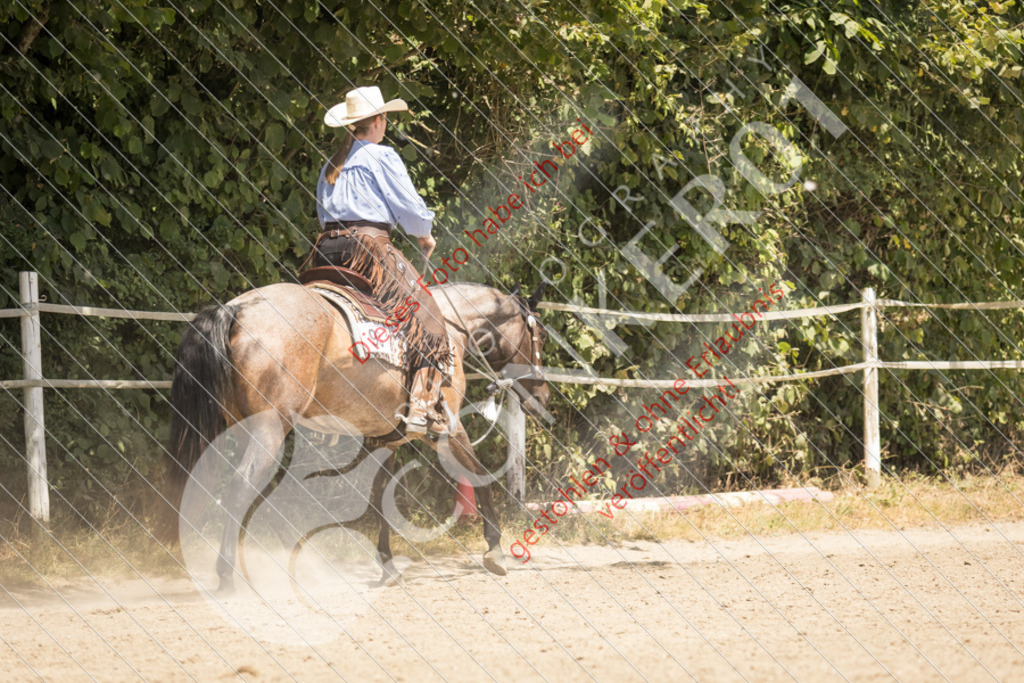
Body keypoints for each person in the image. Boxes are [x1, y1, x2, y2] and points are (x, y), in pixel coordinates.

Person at [312, 86, 451, 435]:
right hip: (368, 249)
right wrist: (424, 233)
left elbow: (320, 212)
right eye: (385, 117)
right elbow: (409, 210)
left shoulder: (332, 163)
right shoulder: (381, 155)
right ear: (378, 120)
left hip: (325, 249)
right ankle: (421, 408)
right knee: (429, 318)